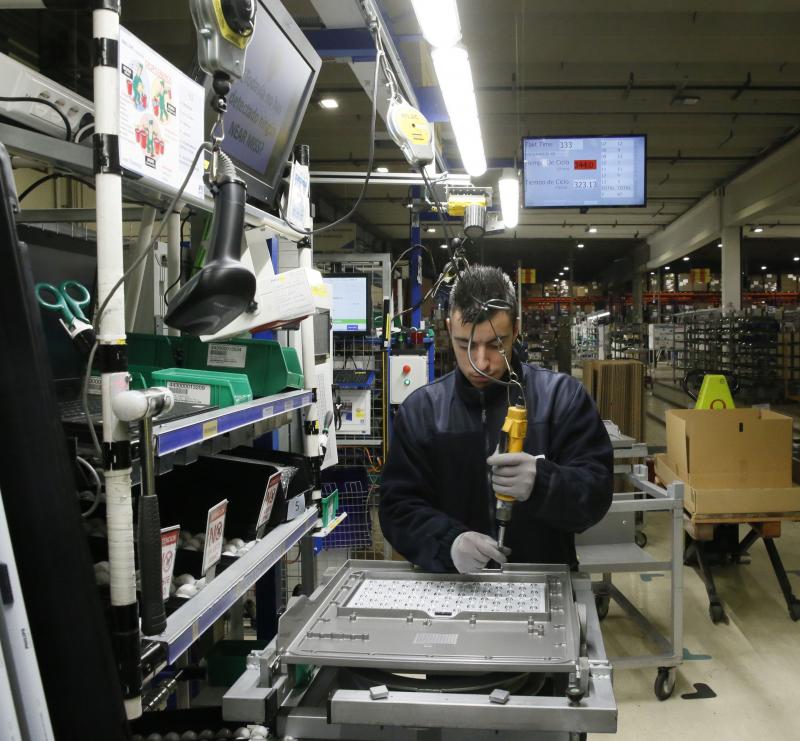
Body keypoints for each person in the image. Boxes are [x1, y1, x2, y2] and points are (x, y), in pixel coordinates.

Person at [379, 265, 613, 573]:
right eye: (466, 345)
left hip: (541, 585)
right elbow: (398, 508)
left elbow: (595, 494)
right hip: (452, 592)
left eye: (495, 345)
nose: (481, 363)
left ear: (516, 330)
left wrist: (543, 483)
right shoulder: (421, 412)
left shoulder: (562, 399)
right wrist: (448, 542)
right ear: (450, 328)